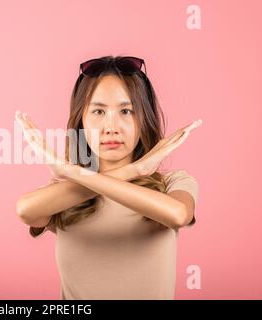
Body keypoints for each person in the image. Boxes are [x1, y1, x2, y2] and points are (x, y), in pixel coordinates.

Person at [15, 55, 202, 300]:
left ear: (144, 118)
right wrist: (132, 171)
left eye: (126, 111)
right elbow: (25, 209)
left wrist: (71, 171)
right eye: (98, 111)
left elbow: (178, 215)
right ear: (81, 120)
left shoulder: (172, 183)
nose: (111, 127)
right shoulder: (65, 192)